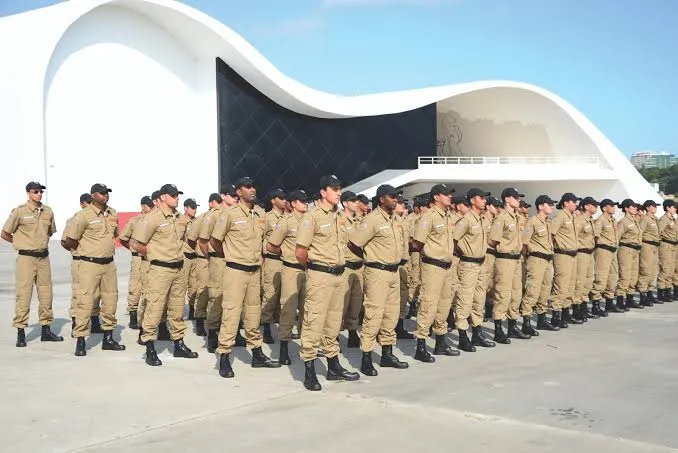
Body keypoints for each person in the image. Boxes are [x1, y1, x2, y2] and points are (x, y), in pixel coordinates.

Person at [296, 175, 360, 391]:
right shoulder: (312, 217)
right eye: (334, 189)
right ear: (323, 192)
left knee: (333, 323)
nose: (339, 193)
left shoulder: (340, 216)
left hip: (338, 275)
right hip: (320, 276)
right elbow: (300, 251)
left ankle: (333, 366)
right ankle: (310, 370)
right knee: (314, 322)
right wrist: (316, 269)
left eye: (339, 188)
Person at [211, 177, 280, 378]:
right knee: (231, 313)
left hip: (255, 271)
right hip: (235, 271)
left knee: (253, 313)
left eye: (253, 186)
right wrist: (230, 256)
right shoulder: (229, 214)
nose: (252, 189)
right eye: (248, 187)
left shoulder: (259, 214)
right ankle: (224, 356)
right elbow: (216, 241)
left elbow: (267, 238)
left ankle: (257, 353)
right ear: (238, 192)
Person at [131, 184, 199, 366]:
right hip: (160, 270)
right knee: (154, 309)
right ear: (162, 198)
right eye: (173, 195)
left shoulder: (178, 218)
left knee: (177, 309)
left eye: (178, 195)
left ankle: (179, 344)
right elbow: (136, 244)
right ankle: (150, 347)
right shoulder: (152, 218)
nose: (177, 198)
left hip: (178, 269)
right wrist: (155, 254)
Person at [348, 184, 409, 375]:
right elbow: (354, 244)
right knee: (374, 315)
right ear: (381, 199)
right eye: (392, 197)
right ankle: (366, 356)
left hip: (393, 272)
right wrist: (371, 256)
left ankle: (387, 354)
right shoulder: (372, 220)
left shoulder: (396, 219)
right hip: (377, 272)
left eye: (396, 197)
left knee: (391, 315)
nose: (395, 199)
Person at [63, 183, 125, 356]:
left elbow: (114, 236)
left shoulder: (112, 213)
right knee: (85, 302)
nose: (106, 195)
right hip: (89, 264)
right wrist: (86, 252)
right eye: (102, 193)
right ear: (93, 195)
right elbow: (70, 241)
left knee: (110, 300)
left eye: (107, 193)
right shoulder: (84, 215)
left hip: (109, 264)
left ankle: (108, 338)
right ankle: (81, 340)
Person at [2, 181, 62, 347]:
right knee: (24, 294)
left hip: (43, 258)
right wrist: (20, 243)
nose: (39, 194)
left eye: (41, 191)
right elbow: (5, 233)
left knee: (46, 294)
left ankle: (46, 330)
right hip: (26, 259)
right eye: (36, 191)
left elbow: (49, 232)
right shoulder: (19, 212)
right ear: (28, 193)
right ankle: (21, 332)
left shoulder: (48, 212)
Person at [410, 183, 460, 361]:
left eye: (450, 194)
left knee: (444, 305)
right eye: (446, 194)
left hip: (447, 266)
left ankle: (440, 342)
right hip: (432, 266)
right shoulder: (428, 217)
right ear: (436, 197)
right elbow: (417, 243)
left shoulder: (447, 217)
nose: (449, 197)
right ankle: (421, 346)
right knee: (428, 305)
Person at [266, 190, 310, 364]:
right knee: (288, 311)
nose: (305, 203)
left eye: (306, 200)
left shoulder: (310, 220)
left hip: (308, 270)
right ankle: (284, 348)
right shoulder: (285, 222)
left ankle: (307, 349)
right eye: (301, 201)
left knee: (308, 311)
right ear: (293, 203)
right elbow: (271, 246)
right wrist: (285, 252)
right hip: (291, 269)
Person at [199, 184, 241, 353]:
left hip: (235, 262)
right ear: (223, 196)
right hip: (219, 260)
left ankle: (234, 332)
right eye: (231, 195)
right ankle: (212, 334)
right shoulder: (214, 216)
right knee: (216, 297)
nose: (235, 198)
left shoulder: (238, 213)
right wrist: (211, 257)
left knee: (235, 298)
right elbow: (203, 241)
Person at [453, 188, 495, 351]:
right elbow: (454, 240)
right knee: (465, 299)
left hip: (481, 263)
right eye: (481, 198)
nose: (484, 201)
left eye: (485, 198)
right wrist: (464, 254)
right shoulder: (466, 220)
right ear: (472, 200)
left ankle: (477, 333)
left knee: (479, 299)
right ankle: (463, 336)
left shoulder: (481, 219)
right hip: (468, 264)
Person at [489, 188, 527, 342]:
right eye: (516, 198)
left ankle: (512, 326)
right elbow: (492, 240)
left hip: (517, 259)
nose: (518, 201)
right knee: (503, 294)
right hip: (504, 260)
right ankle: (498, 329)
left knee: (516, 294)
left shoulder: (517, 217)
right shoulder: (501, 218)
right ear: (507, 199)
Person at [63, 193, 100, 337]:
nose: (91, 205)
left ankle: (95, 321)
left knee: (96, 292)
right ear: (82, 204)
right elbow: (65, 241)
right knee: (79, 293)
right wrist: (78, 251)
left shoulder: (98, 217)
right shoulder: (74, 219)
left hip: (94, 261)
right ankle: (76, 323)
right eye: (88, 202)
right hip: (79, 260)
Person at [521, 195, 558, 332]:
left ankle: (541, 320)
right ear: (541, 206)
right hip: (536, 259)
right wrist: (526, 259)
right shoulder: (533, 221)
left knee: (545, 290)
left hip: (548, 259)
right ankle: (526, 321)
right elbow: (524, 243)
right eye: (549, 204)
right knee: (533, 290)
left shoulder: (548, 222)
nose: (552, 207)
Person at [119, 195, 154, 330]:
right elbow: (123, 238)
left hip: (150, 257)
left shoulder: (153, 220)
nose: (151, 209)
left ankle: (146, 316)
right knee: (136, 286)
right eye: (149, 207)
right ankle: (133, 315)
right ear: (143, 207)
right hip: (138, 258)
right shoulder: (134, 221)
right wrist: (132, 249)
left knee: (149, 286)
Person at [186, 194, 218, 337]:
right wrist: (203, 254)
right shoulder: (202, 218)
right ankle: (199, 320)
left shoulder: (225, 216)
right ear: (211, 203)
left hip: (219, 260)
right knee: (203, 290)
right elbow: (191, 240)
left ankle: (215, 320)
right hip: (204, 259)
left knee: (217, 291)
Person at [550, 193, 582, 328]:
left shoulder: (572, 217)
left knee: (570, 285)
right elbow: (551, 234)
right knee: (561, 285)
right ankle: (556, 315)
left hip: (572, 255)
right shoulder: (560, 217)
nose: (575, 204)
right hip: (562, 255)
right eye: (573, 202)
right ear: (565, 203)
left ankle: (565, 312)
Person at [261, 188, 287, 344]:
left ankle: (282, 328)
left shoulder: (288, 218)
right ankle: (266, 328)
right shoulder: (267, 218)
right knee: (270, 294)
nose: (284, 200)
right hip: (272, 260)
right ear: (273, 200)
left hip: (286, 261)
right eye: (281, 198)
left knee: (283, 296)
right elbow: (260, 238)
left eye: (285, 198)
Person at [339, 190, 364, 347]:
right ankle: (333, 336)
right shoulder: (338, 220)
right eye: (353, 200)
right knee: (340, 304)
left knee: (356, 303)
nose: (356, 203)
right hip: (345, 267)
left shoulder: (360, 221)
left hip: (359, 267)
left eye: (357, 200)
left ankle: (353, 332)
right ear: (345, 203)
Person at [591, 199, 621, 315]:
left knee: (612, 277)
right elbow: (595, 237)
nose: (614, 208)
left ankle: (609, 302)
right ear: (604, 208)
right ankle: (596, 304)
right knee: (601, 277)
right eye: (612, 206)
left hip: (612, 250)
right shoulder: (600, 221)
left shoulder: (613, 220)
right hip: (603, 250)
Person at [573, 197, 598, 321]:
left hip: (589, 253)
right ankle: (576, 308)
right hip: (581, 253)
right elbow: (574, 237)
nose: (595, 207)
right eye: (593, 205)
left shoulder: (591, 220)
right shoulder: (579, 220)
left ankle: (583, 306)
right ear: (586, 206)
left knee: (588, 280)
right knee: (580, 281)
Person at [176, 198, 201, 325]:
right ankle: (178, 314)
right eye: (192, 207)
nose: (195, 209)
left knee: (194, 286)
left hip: (195, 257)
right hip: (184, 256)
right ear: (185, 208)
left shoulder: (197, 221)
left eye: (195, 207)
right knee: (181, 286)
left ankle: (192, 310)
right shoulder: (180, 220)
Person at [616, 199, 643, 310]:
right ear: (626, 208)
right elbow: (617, 237)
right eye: (632, 206)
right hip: (626, 249)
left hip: (635, 250)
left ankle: (630, 299)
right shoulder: (623, 222)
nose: (635, 208)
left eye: (636, 207)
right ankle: (620, 300)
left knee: (633, 276)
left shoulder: (635, 221)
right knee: (625, 276)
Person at [394, 194, 415, 339]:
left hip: (404, 264)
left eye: (404, 203)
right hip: (391, 266)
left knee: (402, 297)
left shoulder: (404, 221)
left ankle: (399, 326)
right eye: (400, 203)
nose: (403, 206)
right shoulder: (389, 221)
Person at [637, 200, 660, 307]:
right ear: (647, 208)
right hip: (646, 245)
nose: (655, 208)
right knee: (645, 269)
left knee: (653, 270)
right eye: (653, 206)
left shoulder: (655, 219)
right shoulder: (644, 219)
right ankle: (643, 294)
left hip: (654, 245)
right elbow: (639, 233)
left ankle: (650, 292)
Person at [657, 200, 677, 302]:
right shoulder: (664, 219)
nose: (675, 209)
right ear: (668, 208)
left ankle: (668, 291)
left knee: (671, 269)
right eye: (673, 207)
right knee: (665, 269)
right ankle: (661, 292)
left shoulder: (673, 219)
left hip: (673, 246)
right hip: (666, 245)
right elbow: (658, 232)